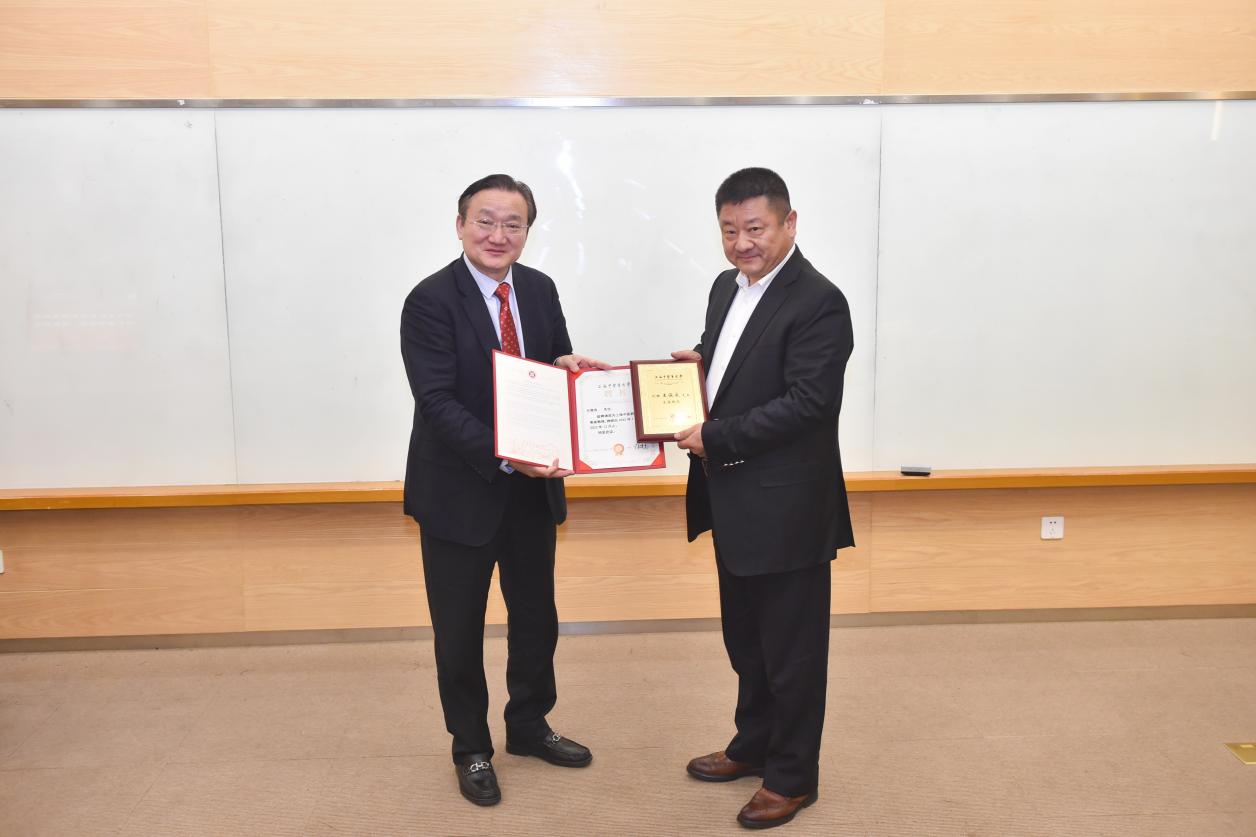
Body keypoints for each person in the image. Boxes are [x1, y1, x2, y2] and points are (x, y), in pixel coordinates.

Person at [400, 173, 606, 807]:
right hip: (459, 491)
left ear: (527, 231)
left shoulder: (539, 289)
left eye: (512, 224)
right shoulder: (429, 300)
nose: (498, 234)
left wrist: (569, 369)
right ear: (460, 225)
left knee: (536, 617)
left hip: (530, 494)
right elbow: (436, 402)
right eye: (485, 221)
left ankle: (528, 725)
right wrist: (509, 453)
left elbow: (550, 368)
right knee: (459, 629)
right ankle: (471, 746)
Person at [673, 167, 855, 829]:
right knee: (747, 641)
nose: (742, 243)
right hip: (733, 501)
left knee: (792, 653)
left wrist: (716, 436)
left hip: (787, 509)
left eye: (755, 228)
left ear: (789, 223)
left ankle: (792, 776)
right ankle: (753, 744)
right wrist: (691, 370)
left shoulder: (819, 301)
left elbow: (809, 404)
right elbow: (730, 360)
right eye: (729, 230)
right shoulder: (726, 286)